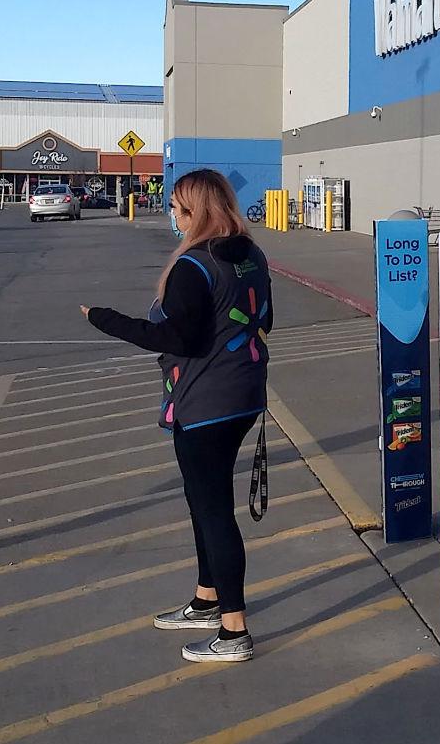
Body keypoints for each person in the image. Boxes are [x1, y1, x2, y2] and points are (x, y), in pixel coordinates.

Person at [81, 168, 272, 664]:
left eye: (176, 208)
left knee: (212, 511)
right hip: (244, 394)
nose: (171, 216)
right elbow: (266, 318)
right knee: (202, 501)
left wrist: (105, 320)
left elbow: (178, 338)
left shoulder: (194, 265)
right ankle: (208, 598)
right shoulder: (250, 254)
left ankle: (234, 631)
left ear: (195, 212)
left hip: (206, 402)